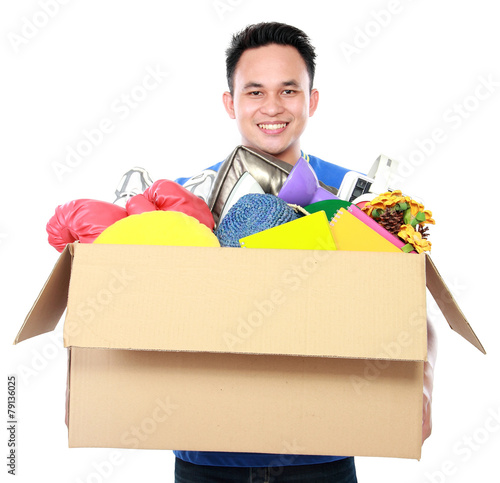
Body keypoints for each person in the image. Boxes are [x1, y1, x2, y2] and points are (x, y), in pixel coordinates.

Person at [173, 22, 437, 483]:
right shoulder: (184, 203)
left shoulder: (361, 200)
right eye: (254, 92)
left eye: (288, 91)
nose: (272, 107)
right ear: (229, 102)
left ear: (311, 100)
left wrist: (425, 387)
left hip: (322, 457)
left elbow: (412, 308)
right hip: (208, 457)